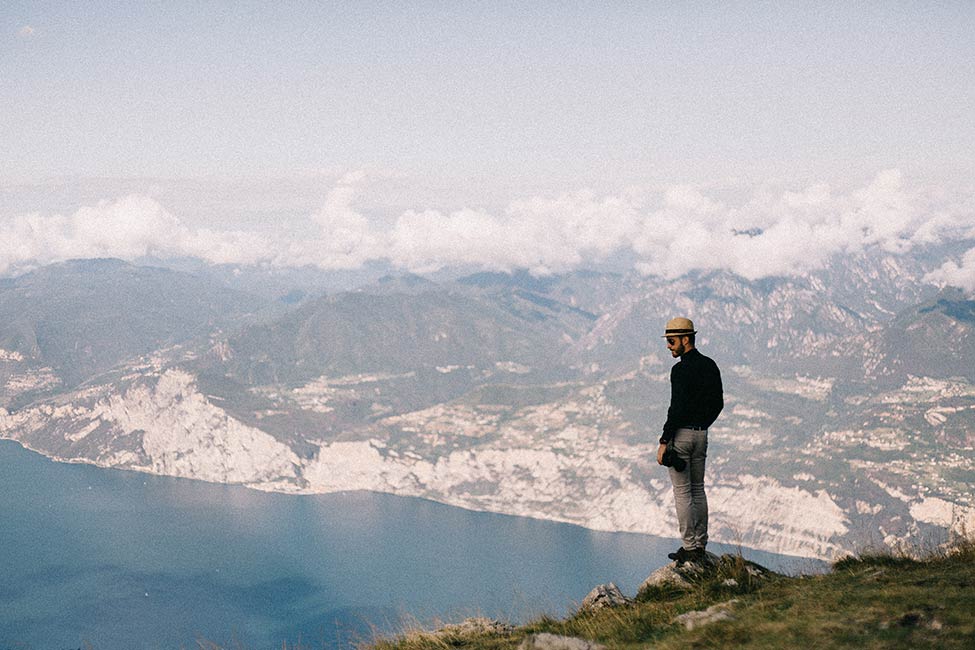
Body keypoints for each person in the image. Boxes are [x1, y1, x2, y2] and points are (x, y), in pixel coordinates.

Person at [656, 316, 723, 565]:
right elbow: (718, 403)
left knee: (682, 492)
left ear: (686, 339)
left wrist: (665, 441)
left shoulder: (680, 370)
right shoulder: (710, 365)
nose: (668, 346)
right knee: (698, 489)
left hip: (682, 436)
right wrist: (703, 425)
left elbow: (676, 408)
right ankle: (701, 544)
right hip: (701, 435)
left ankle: (690, 546)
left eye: (672, 341)